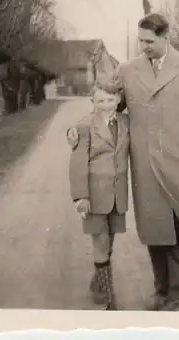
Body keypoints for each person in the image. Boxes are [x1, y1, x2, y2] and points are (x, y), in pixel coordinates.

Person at [67, 12, 179, 311]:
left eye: (149, 41)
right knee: (156, 231)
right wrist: (80, 129)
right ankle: (161, 292)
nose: (144, 46)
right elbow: (105, 103)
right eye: (140, 41)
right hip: (145, 165)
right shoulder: (127, 70)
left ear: (165, 37)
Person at [67, 75, 130, 311]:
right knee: (101, 243)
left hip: (117, 196)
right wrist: (80, 197)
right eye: (100, 100)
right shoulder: (84, 126)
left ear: (119, 99)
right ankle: (108, 298)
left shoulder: (126, 123)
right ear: (92, 101)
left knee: (109, 243)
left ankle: (97, 282)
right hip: (93, 197)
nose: (105, 105)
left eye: (110, 100)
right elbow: (77, 163)